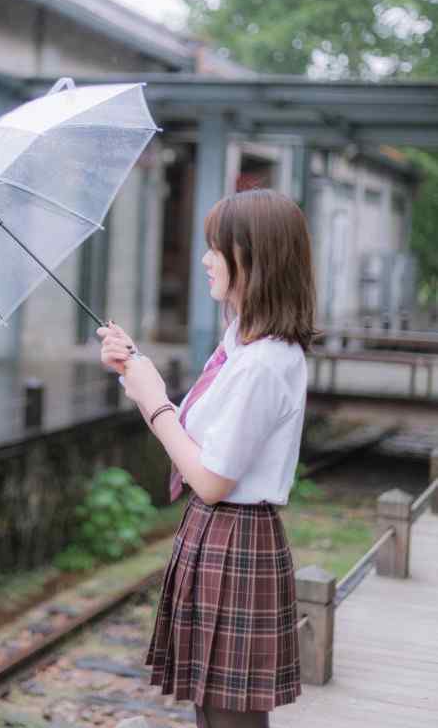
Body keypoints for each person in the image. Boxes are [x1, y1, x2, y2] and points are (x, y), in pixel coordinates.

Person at [97, 188, 316, 728]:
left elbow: (212, 478)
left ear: (254, 258)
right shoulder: (241, 344)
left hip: (234, 534)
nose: (204, 259)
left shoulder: (264, 362)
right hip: (215, 535)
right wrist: (136, 366)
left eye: (217, 248)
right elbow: (205, 436)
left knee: (228, 718)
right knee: (211, 712)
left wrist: (153, 401)